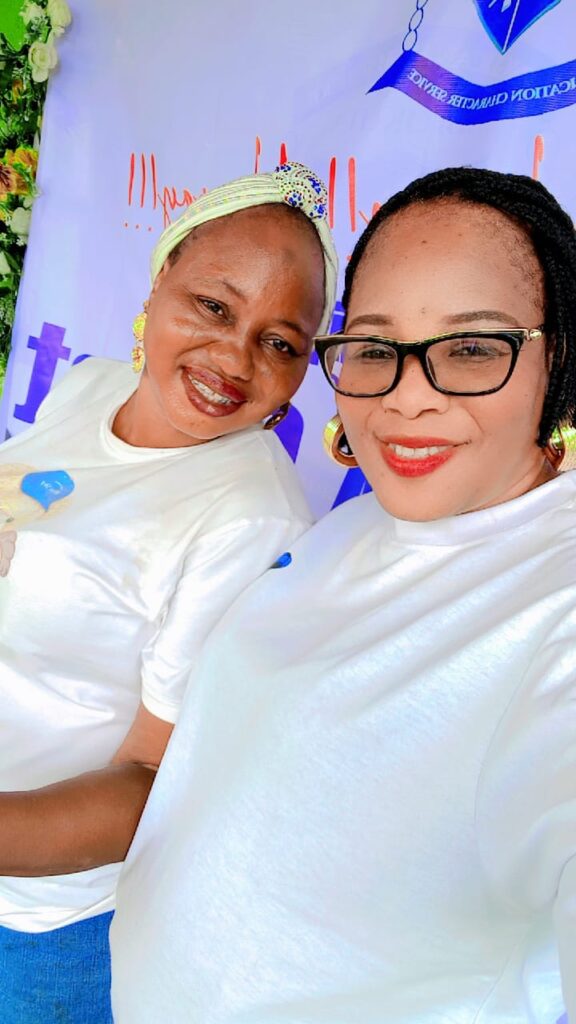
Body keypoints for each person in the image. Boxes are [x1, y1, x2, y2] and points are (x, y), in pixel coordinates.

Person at [111, 166, 576, 1024]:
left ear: (560, 358)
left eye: (473, 347)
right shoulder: (357, 525)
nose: (408, 398)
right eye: (375, 347)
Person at [0, 161, 338, 1023]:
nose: (234, 357)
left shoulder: (248, 520)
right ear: (160, 280)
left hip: (49, 926)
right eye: (215, 306)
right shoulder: (92, 385)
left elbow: (153, 780)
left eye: (281, 342)